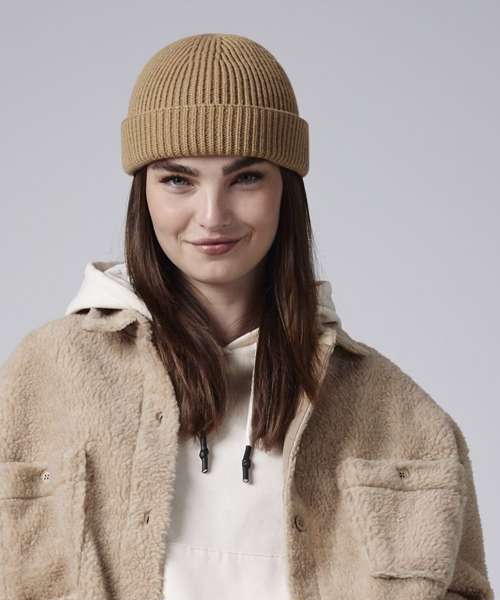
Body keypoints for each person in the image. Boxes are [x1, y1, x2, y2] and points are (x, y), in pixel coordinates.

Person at [0, 32, 493, 600]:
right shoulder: (43, 379)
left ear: (287, 190)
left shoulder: (399, 416)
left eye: (247, 178)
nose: (213, 215)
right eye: (178, 179)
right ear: (144, 193)